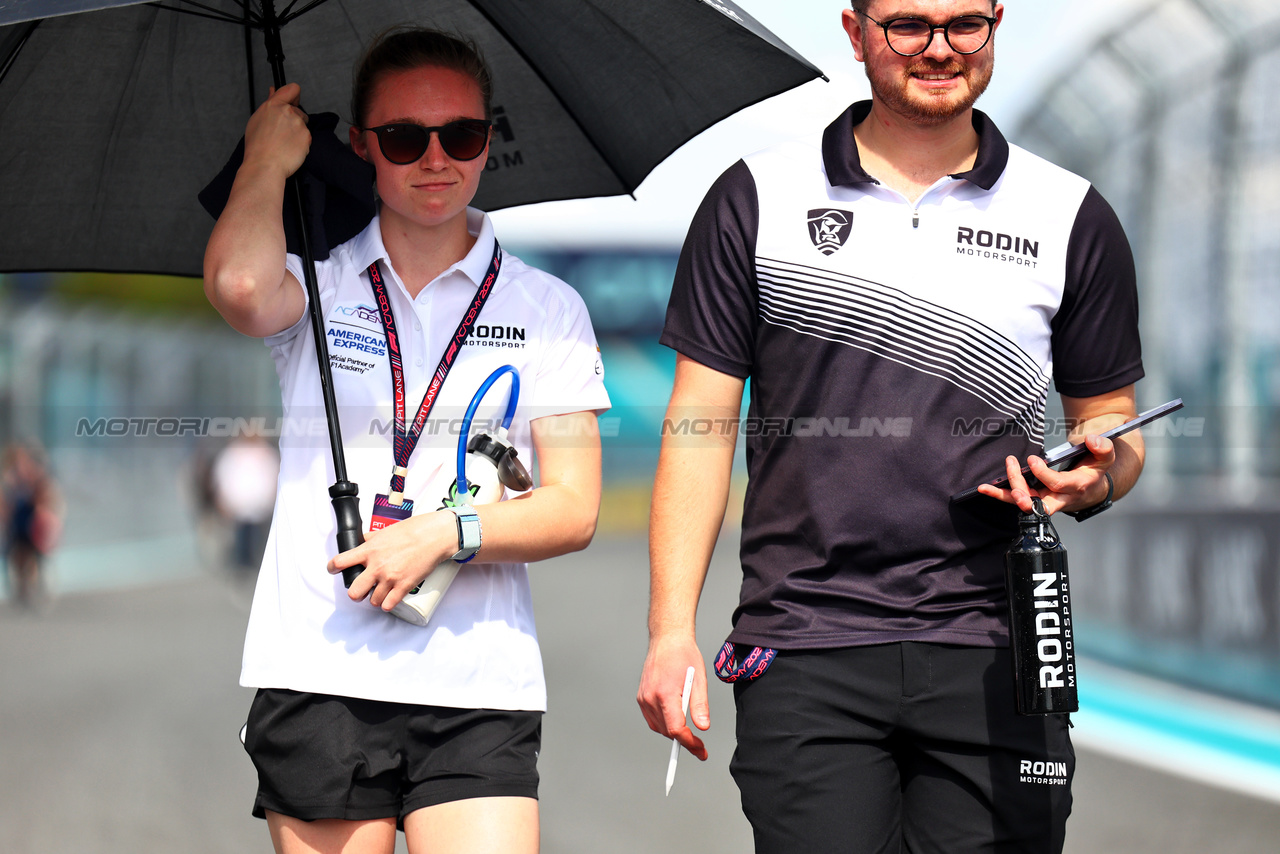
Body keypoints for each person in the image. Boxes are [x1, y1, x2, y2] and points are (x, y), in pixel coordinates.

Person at [637, 2, 1144, 852]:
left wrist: (1099, 473)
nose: (939, 48)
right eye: (909, 23)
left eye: (965, 23)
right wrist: (668, 633)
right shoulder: (757, 196)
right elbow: (698, 426)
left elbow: (1116, 424)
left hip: (1001, 641)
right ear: (856, 30)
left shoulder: (1069, 212)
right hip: (804, 640)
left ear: (997, 23)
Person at [203, 28, 609, 854]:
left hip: (479, 684)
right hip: (319, 673)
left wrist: (442, 533)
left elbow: (573, 511)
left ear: (489, 139)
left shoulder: (548, 306)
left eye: (460, 135)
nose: (435, 159)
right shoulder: (312, 282)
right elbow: (240, 288)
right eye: (402, 138)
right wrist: (265, 163)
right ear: (361, 145)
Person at [2, 442, 61, 608]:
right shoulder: (10, 482)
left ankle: (41, 588)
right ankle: (23, 592)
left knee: (38, 559)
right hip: (18, 525)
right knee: (18, 558)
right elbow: (6, 506)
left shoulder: (38, 479)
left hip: (34, 525)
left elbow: (49, 501)